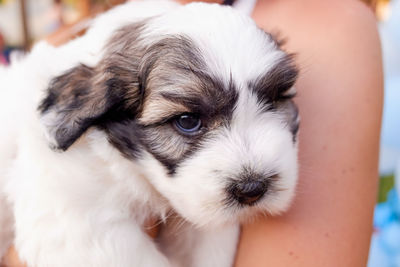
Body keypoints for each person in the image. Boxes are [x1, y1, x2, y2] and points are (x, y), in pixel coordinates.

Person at [2, 0, 382, 266]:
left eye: (272, 102)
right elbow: (64, 236)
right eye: (188, 122)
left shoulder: (329, 26)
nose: (251, 175)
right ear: (94, 110)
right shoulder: (76, 66)